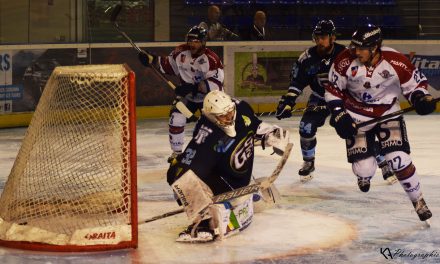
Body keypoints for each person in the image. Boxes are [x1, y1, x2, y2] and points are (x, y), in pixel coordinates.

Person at [325, 24, 437, 222]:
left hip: (387, 111)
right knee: (364, 169)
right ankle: (370, 157)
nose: (355, 51)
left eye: (361, 48)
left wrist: (420, 98)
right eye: (355, 46)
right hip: (356, 114)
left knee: (398, 159)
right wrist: (338, 114)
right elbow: (333, 90)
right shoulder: (344, 60)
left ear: (375, 47)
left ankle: (418, 200)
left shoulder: (396, 61)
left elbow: (415, 86)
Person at [275, 20, 396, 184]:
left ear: (332, 37)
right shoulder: (306, 58)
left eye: (323, 37)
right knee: (306, 127)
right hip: (319, 97)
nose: (319, 41)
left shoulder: (346, 54)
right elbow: (296, 82)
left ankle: (382, 162)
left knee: (358, 129)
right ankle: (309, 162)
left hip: (345, 98)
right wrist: (288, 101)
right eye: (317, 37)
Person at [166, 90, 290, 242]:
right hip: (234, 181)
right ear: (211, 116)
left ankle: (214, 214)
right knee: (182, 176)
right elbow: (191, 167)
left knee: (179, 174)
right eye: (223, 116)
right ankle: (211, 214)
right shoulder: (209, 134)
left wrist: (270, 134)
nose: (229, 117)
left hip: (236, 182)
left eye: (230, 112)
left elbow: (254, 125)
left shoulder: (240, 110)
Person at [138, 26, 224, 161]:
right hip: (188, 97)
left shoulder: (211, 59)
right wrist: (151, 59)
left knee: (211, 128)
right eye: (190, 40)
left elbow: (215, 84)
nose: (192, 44)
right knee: (176, 118)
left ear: (203, 42)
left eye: (196, 41)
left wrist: (192, 88)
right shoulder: (180, 51)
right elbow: (168, 65)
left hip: (209, 99)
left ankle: (215, 155)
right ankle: (177, 154)